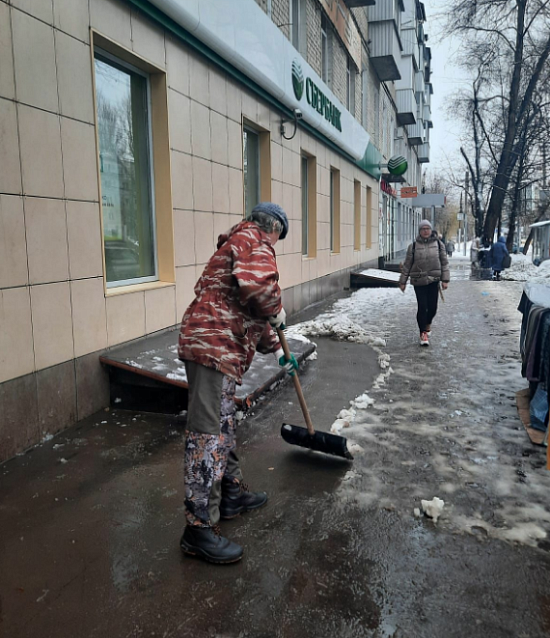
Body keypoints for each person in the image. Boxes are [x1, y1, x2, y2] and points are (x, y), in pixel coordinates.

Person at [177, 202, 298, 564]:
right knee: (206, 436)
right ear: (273, 228)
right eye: (279, 237)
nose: (275, 243)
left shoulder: (239, 245)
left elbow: (252, 313)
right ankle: (198, 529)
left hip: (222, 350)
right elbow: (261, 292)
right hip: (212, 346)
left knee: (223, 427)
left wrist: (279, 351)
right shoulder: (252, 238)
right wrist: (276, 308)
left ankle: (230, 494)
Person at [399, 219, 450, 346]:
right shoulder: (414, 246)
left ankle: (427, 323)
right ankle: (423, 333)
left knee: (432, 308)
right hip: (418, 280)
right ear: (419, 231)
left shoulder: (439, 244)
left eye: (427, 229)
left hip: (434, 280)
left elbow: (444, 263)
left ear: (431, 230)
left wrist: (445, 280)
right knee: (422, 307)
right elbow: (407, 265)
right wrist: (403, 281)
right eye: (423, 229)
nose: (425, 231)